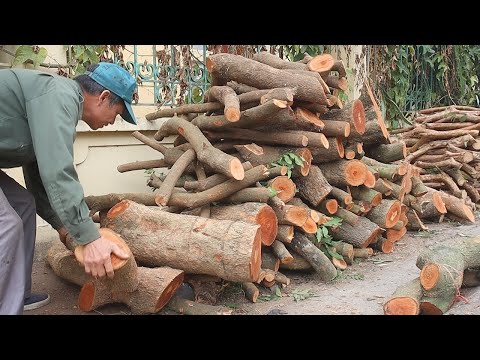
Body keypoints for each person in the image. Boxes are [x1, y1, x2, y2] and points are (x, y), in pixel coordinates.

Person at [0, 62, 137, 315]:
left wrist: (65, 229)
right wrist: (90, 238)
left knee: (23, 205)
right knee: (7, 222)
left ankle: (17, 293)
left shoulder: (58, 99)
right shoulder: (60, 95)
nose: (113, 121)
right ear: (103, 97)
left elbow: (40, 173)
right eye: (116, 114)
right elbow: (57, 172)